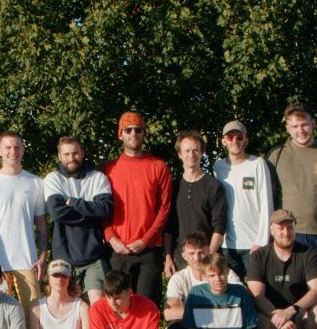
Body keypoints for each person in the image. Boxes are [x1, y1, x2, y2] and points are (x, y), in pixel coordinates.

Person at [267, 104, 317, 289]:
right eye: (294, 126)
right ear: (287, 128)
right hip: (290, 234)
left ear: (313, 124)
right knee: (292, 290)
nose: (300, 130)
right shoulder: (276, 155)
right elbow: (266, 198)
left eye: (304, 124)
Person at [0, 131, 48, 315]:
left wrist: (44, 256)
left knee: (33, 317)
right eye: (8, 147)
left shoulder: (36, 182)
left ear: (23, 150)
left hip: (28, 262)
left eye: (17, 147)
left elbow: (41, 224)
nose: (12, 151)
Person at [247, 209, 317, 329]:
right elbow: (256, 296)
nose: (286, 232)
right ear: (271, 230)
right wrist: (278, 317)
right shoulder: (259, 256)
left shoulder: (308, 253)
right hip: (270, 316)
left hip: (298, 314)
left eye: (290, 227)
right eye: (281, 227)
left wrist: (292, 311)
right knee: (259, 321)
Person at [103, 113, 172, 304]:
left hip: (149, 250)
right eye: (128, 130)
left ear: (144, 133)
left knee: (147, 307)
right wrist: (111, 238)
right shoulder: (108, 169)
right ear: (120, 134)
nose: (133, 133)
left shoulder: (158, 167)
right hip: (119, 250)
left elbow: (165, 209)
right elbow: (102, 209)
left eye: (138, 129)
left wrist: (146, 239)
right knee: (118, 307)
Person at [43, 136, 113, 303]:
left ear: (82, 153)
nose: (71, 158)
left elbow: (105, 209)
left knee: (98, 308)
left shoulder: (97, 178)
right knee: (69, 311)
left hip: (94, 256)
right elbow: (57, 213)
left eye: (75, 153)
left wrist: (74, 203)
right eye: (66, 154)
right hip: (64, 258)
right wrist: (90, 211)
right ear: (59, 156)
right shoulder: (53, 179)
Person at [213, 120, 274, 278]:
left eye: (239, 137)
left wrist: (261, 241)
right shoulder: (217, 167)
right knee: (233, 295)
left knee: (257, 292)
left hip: (253, 244)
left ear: (246, 140)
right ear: (223, 141)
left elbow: (267, 204)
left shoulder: (257, 164)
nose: (235, 141)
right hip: (227, 245)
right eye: (230, 137)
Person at [164, 232, 242, 329]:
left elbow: (243, 298)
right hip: (197, 325)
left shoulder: (225, 273)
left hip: (225, 324)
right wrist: (206, 313)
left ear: (208, 251)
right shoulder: (179, 278)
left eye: (200, 252)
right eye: (192, 253)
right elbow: (169, 312)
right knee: (174, 328)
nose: (197, 258)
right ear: (184, 256)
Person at [163, 130, 227, 275]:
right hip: (180, 259)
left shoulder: (213, 186)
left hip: (206, 258)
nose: (191, 155)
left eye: (195, 150)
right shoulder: (173, 187)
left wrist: (209, 257)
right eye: (187, 151)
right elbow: (169, 227)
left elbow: (220, 226)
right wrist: (168, 258)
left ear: (201, 153)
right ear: (180, 154)